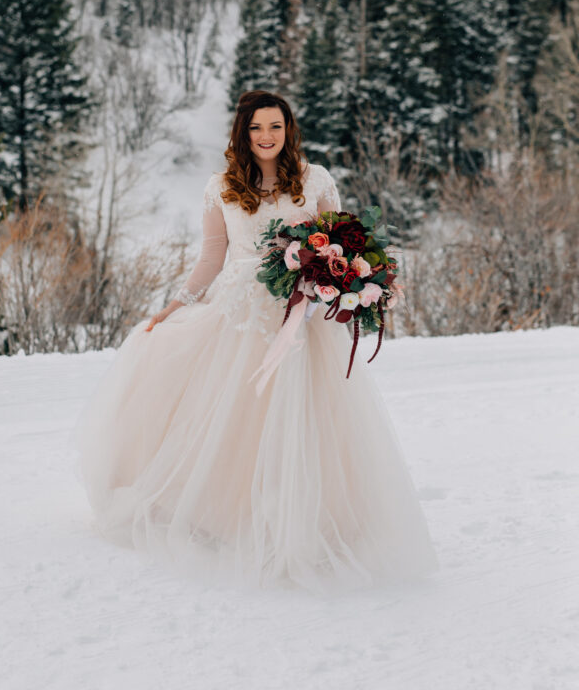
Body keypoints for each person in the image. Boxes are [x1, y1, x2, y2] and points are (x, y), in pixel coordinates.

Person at [75, 90, 437, 592]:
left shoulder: (316, 180)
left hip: (303, 319)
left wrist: (356, 281)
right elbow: (211, 258)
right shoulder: (221, 187)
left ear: (288, 130)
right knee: (236, 416)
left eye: (275, 127)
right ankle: (229, 516)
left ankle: (314, 521)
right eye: (256, 128)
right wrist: (176, 304)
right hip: (241, 316)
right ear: (241, 134)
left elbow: (344, 241)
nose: (267, 137)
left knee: (308, 419)